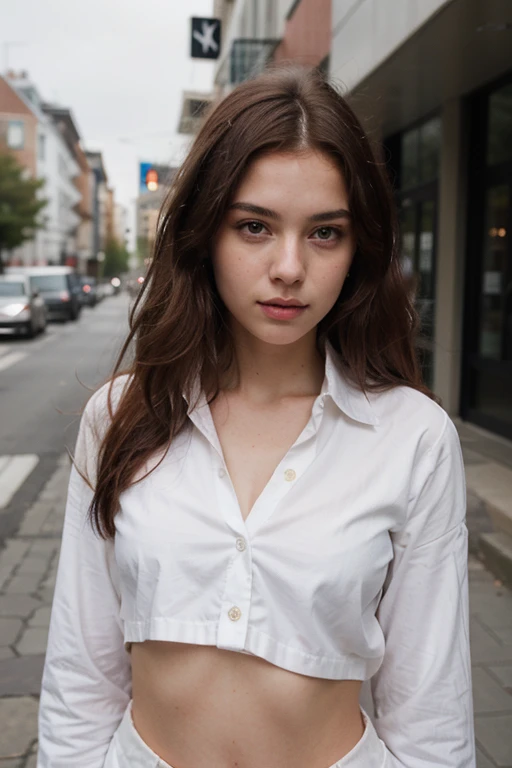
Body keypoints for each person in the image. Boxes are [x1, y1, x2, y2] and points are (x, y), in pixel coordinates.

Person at [37, 66, 475, 767]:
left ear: (358, 247)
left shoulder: (413, 438)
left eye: (325, 233)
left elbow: (430, 710)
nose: (289, 267)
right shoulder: (120, 417)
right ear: (205, 233)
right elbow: (80, 674)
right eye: (254, 227)